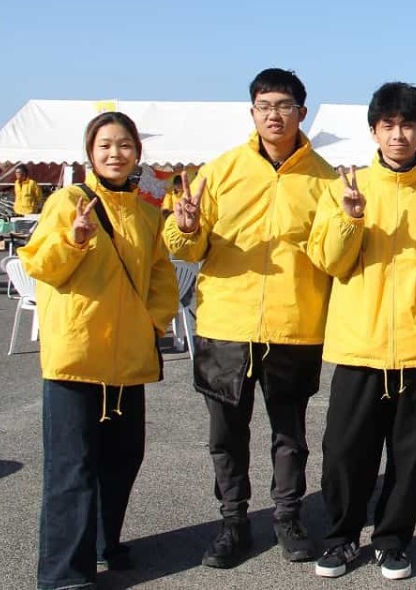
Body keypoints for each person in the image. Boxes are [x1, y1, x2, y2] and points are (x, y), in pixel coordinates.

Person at [163, 68, 337, 569]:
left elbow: (333, 254)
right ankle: (232, 521)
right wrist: (185, 228)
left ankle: (288, 517)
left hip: (294, 325)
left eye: (283, 105)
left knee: (290, 434)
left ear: (301, 112)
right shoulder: (218, 172)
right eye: (264, 105)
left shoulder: (324, 178)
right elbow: (187, 248)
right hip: (225, 325)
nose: (273, 115)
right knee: (225, 434)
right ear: (252, 112)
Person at [307, 82, 416, 580]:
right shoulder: (344, 187)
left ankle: (392, 540)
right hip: (359, 346)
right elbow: (329, 261)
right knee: (345, 453)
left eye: (407, 125)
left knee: (410, 456)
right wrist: (351, 220)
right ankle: (341, 537)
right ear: (374, 130)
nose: (398, 135)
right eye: (389, 125)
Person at [20, 112, 178, 590]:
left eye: (125, 145)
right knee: (73, 468)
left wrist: (153, 321)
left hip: (128, 360)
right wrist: (75, 240)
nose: (115, 153)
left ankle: (106, 541)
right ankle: (65, 573)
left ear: (138, 153)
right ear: (90, 152)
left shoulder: (149, 214)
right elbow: (41, 266)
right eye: (106, 145)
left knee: (123, 459)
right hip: (78, 357)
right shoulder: (69, 201)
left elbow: (161, 278)